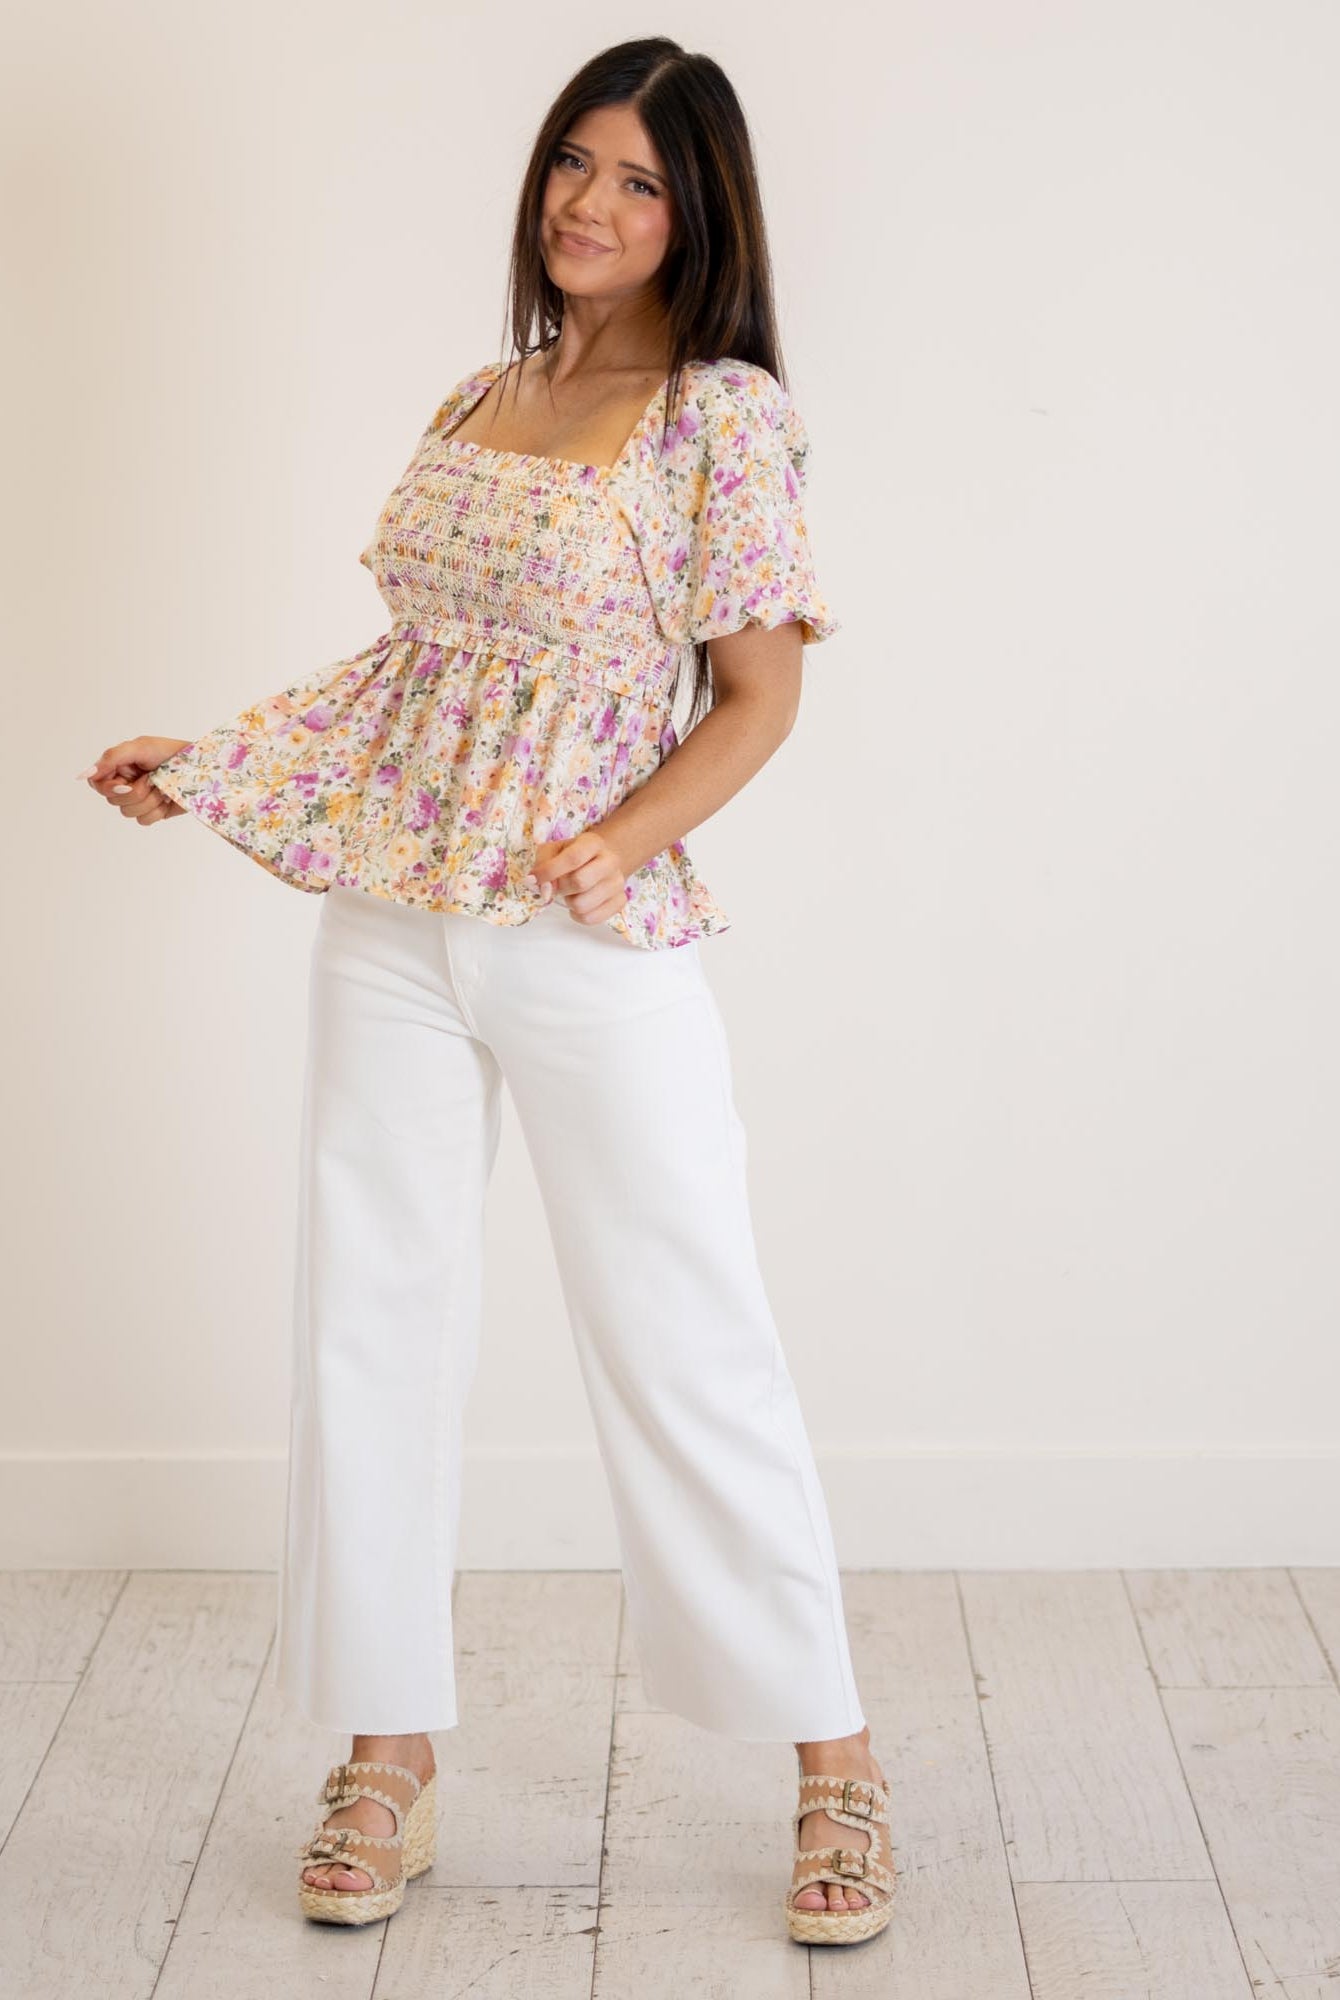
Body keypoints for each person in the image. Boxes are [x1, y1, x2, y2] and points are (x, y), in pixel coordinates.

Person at [78, 36, 895, 1948]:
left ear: (699, 213)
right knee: (367, 1321)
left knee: (686, 1332)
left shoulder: (721, 420)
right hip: (394, 917)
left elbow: (759, 697)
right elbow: (414, 678)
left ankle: (838, 1763)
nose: (589, 205)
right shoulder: (487, 392)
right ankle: (387, 1754)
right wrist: (219, 761)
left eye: (637, 181)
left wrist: (620, 837)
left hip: (588, 934)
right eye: (571, 165)